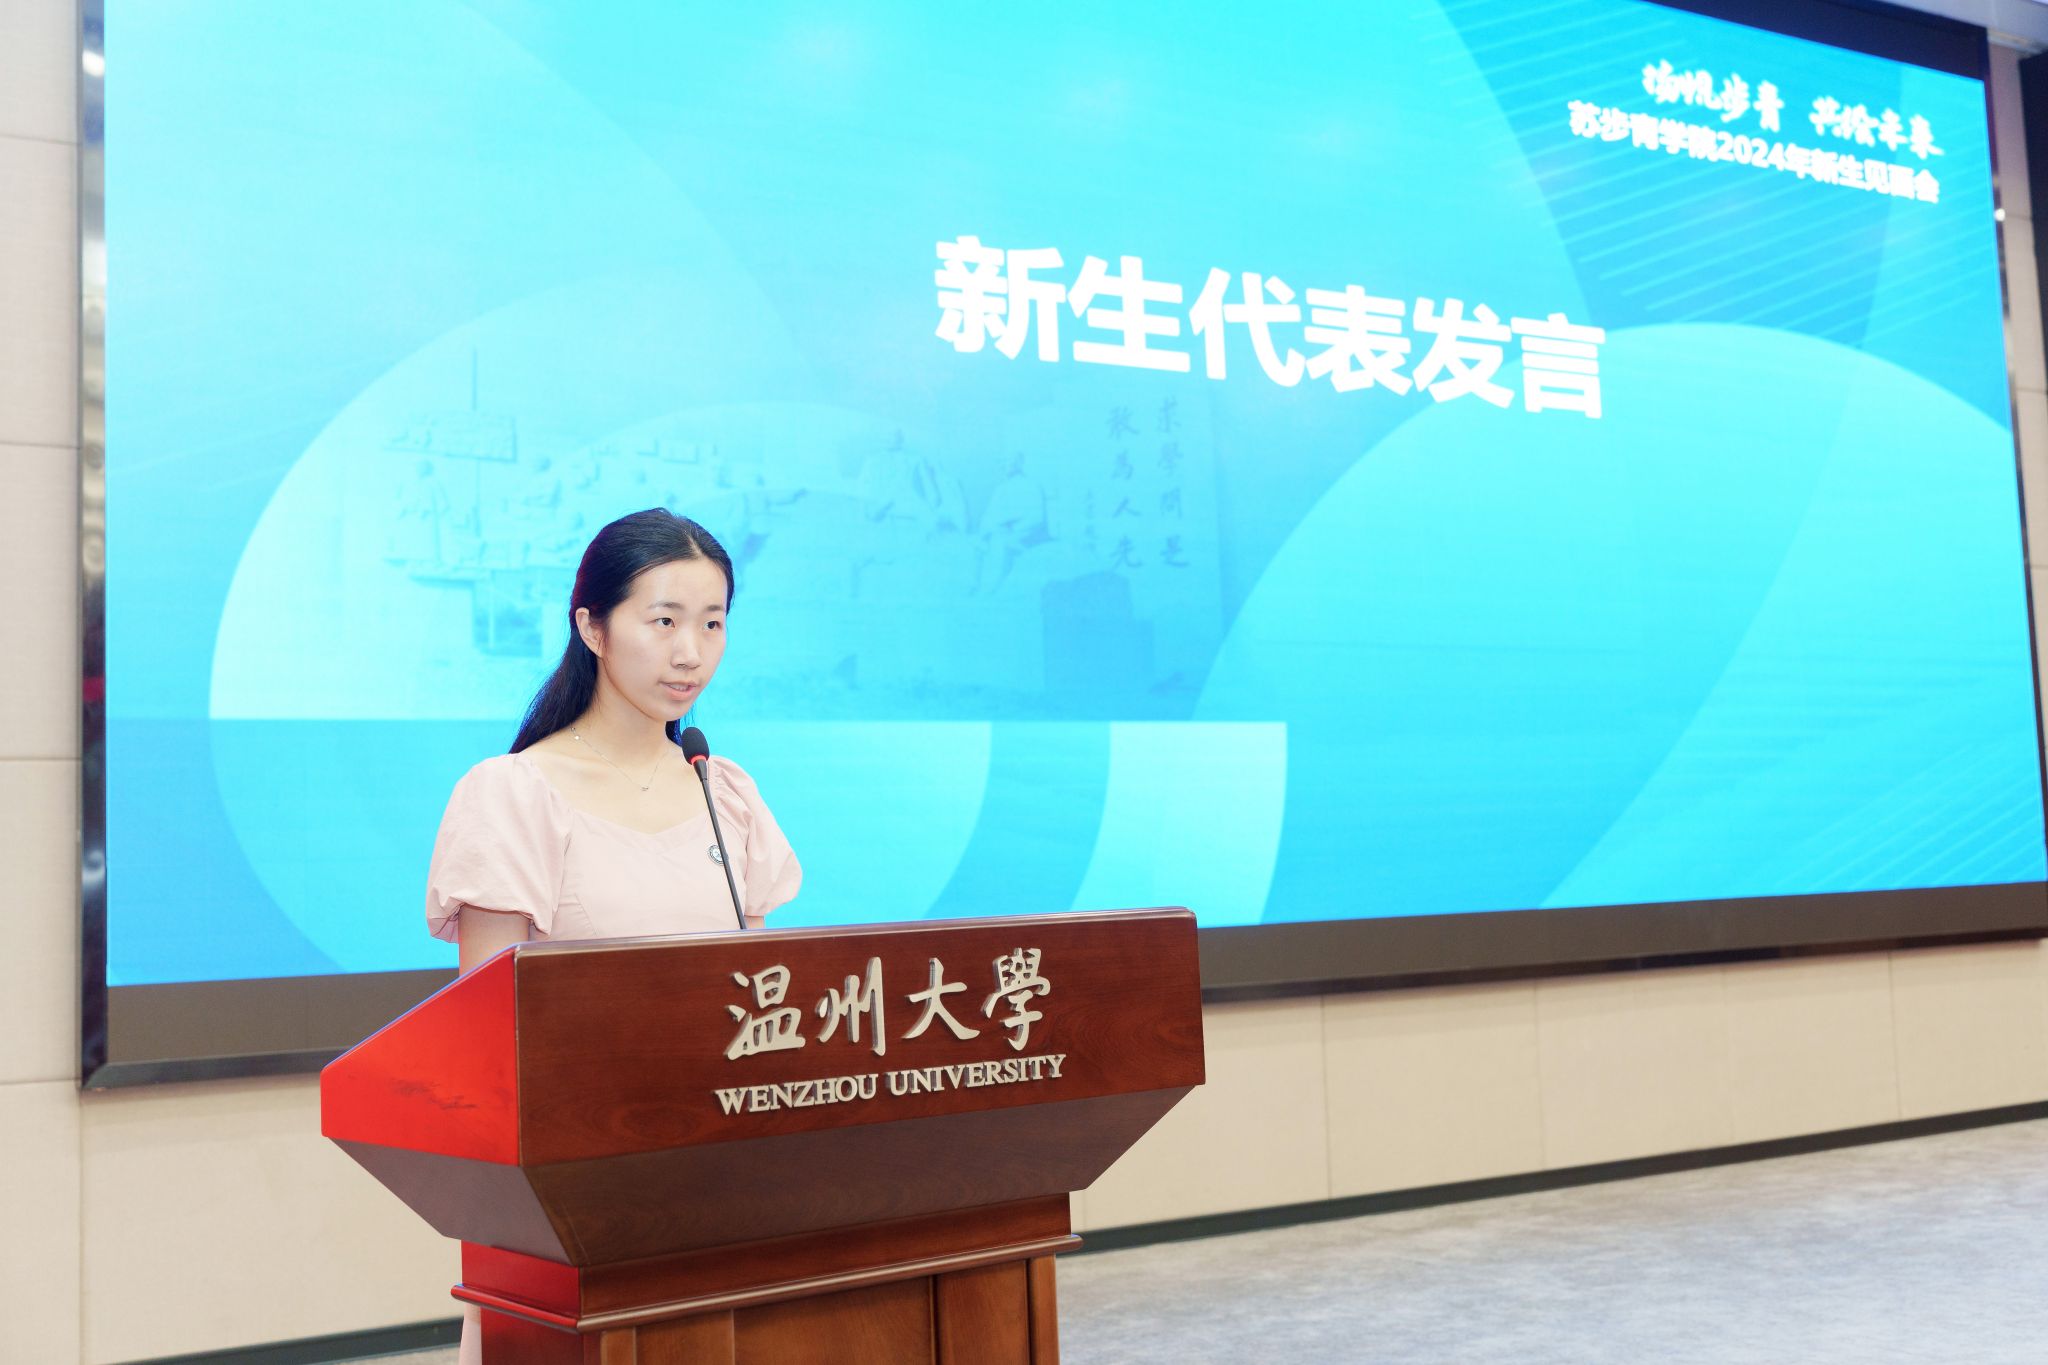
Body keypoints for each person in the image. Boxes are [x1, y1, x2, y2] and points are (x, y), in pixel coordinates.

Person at [422, 508, 801, 1364]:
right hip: (577, 1192)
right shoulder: (513, 793)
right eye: (663, 621)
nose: (690, 653)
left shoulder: (723, 790)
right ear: (591, 626)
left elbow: (763, 999)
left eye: (712, 624)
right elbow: (489, 1031)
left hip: (724, 1179)